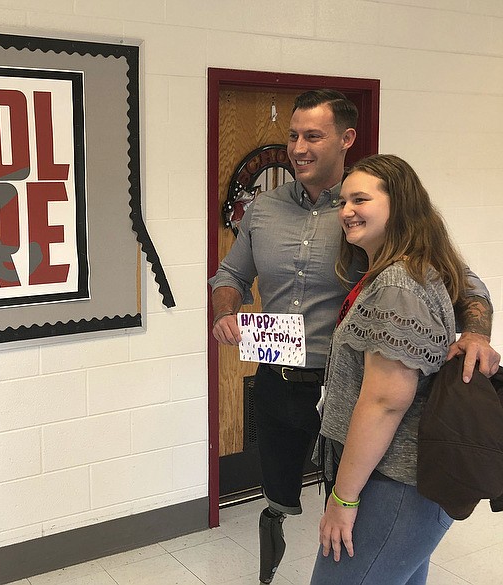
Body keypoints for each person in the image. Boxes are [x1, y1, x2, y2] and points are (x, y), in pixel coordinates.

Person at [208, 90, 500, 584]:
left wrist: (474, 333)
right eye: (293, 136)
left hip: (358, 392)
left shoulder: (390, 253)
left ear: (346, 140)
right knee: (283, 495)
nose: (298, 147)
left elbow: (463, 288)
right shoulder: (265, 210)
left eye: (312, 136)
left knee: (357, 522)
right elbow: (227, 277)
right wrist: (226, 310)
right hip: (283, 379)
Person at [310, 153, 472, 584]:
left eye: (359, 199)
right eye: (342, 202)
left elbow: (384, 402)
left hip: (393, 482)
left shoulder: (398, 284)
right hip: (405, 480)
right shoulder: (405, 270)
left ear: (398, 205)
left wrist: (342, 500)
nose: (346, 212)